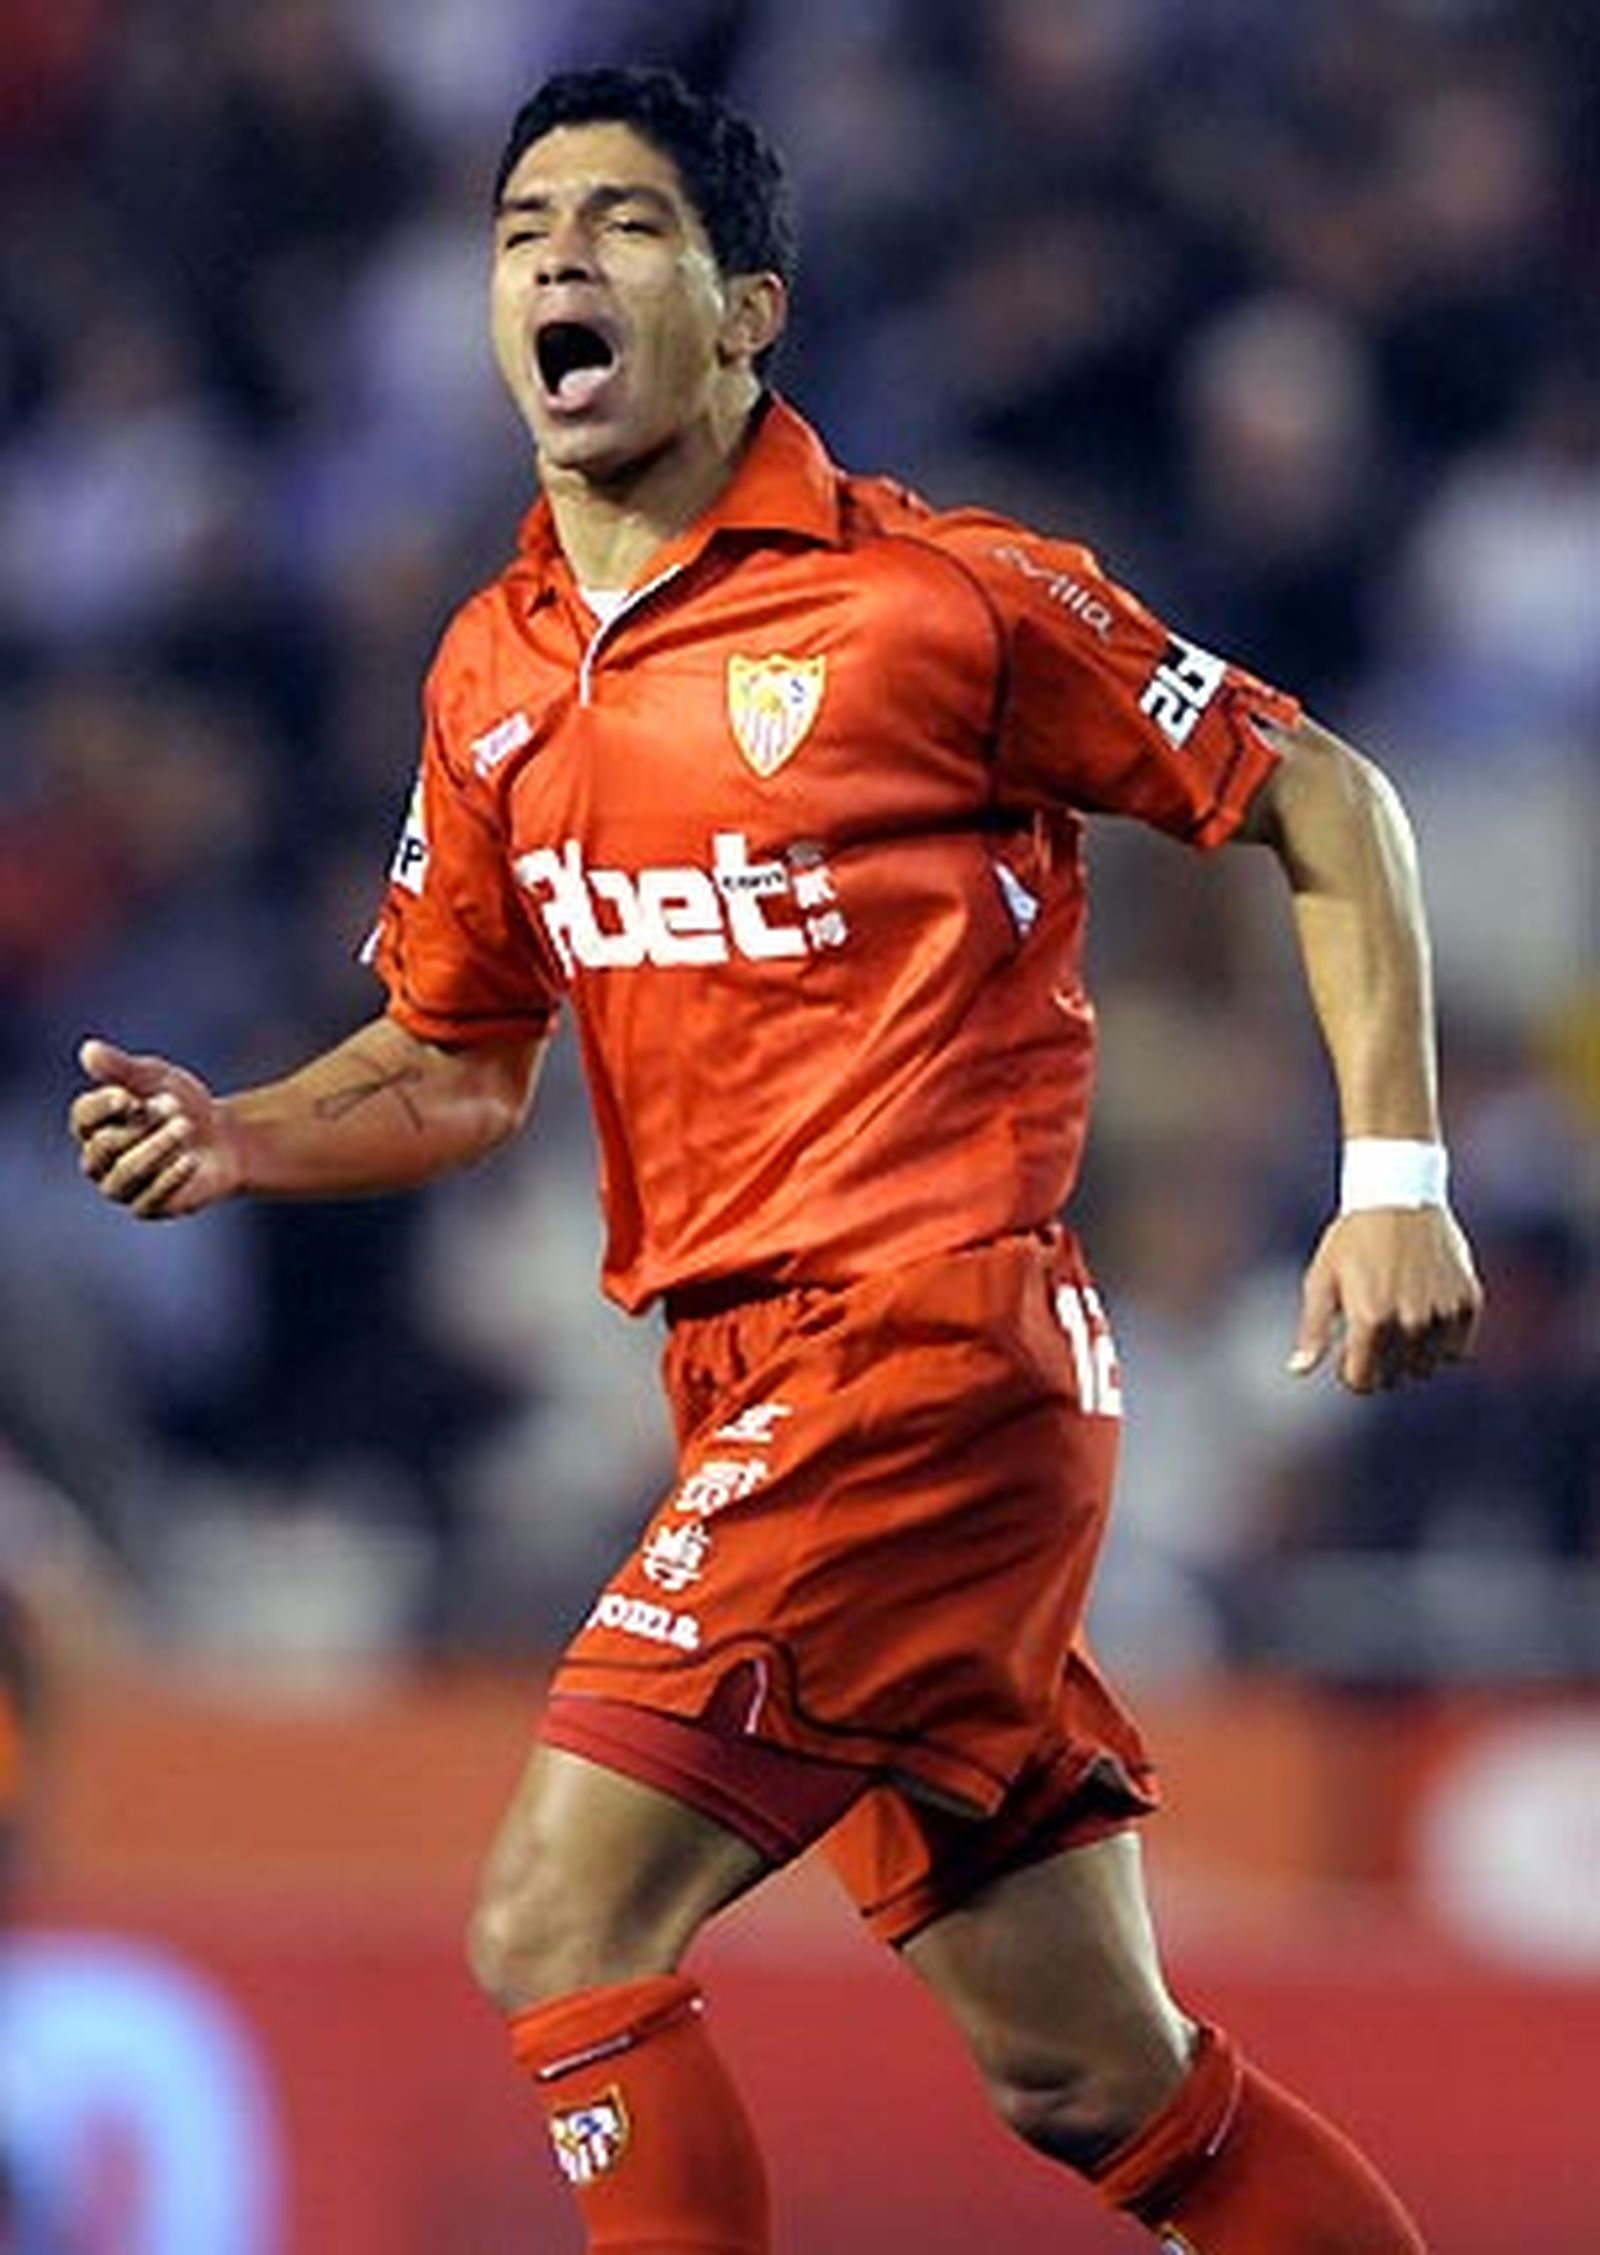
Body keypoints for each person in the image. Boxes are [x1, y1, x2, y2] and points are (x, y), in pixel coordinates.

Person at [69, 65, 1483, 2255]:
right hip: (750, 1382)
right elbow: (458, 1061)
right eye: (523, 224)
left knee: (556, 1918)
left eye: (624, 221)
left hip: (922, 1353)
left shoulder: (938, 597)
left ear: (747, 313)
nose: (557, 254)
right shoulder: (494, 672)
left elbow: (1327, 798)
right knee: (1089, 2075)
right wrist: (238, 1134)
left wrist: (1391, 1184)